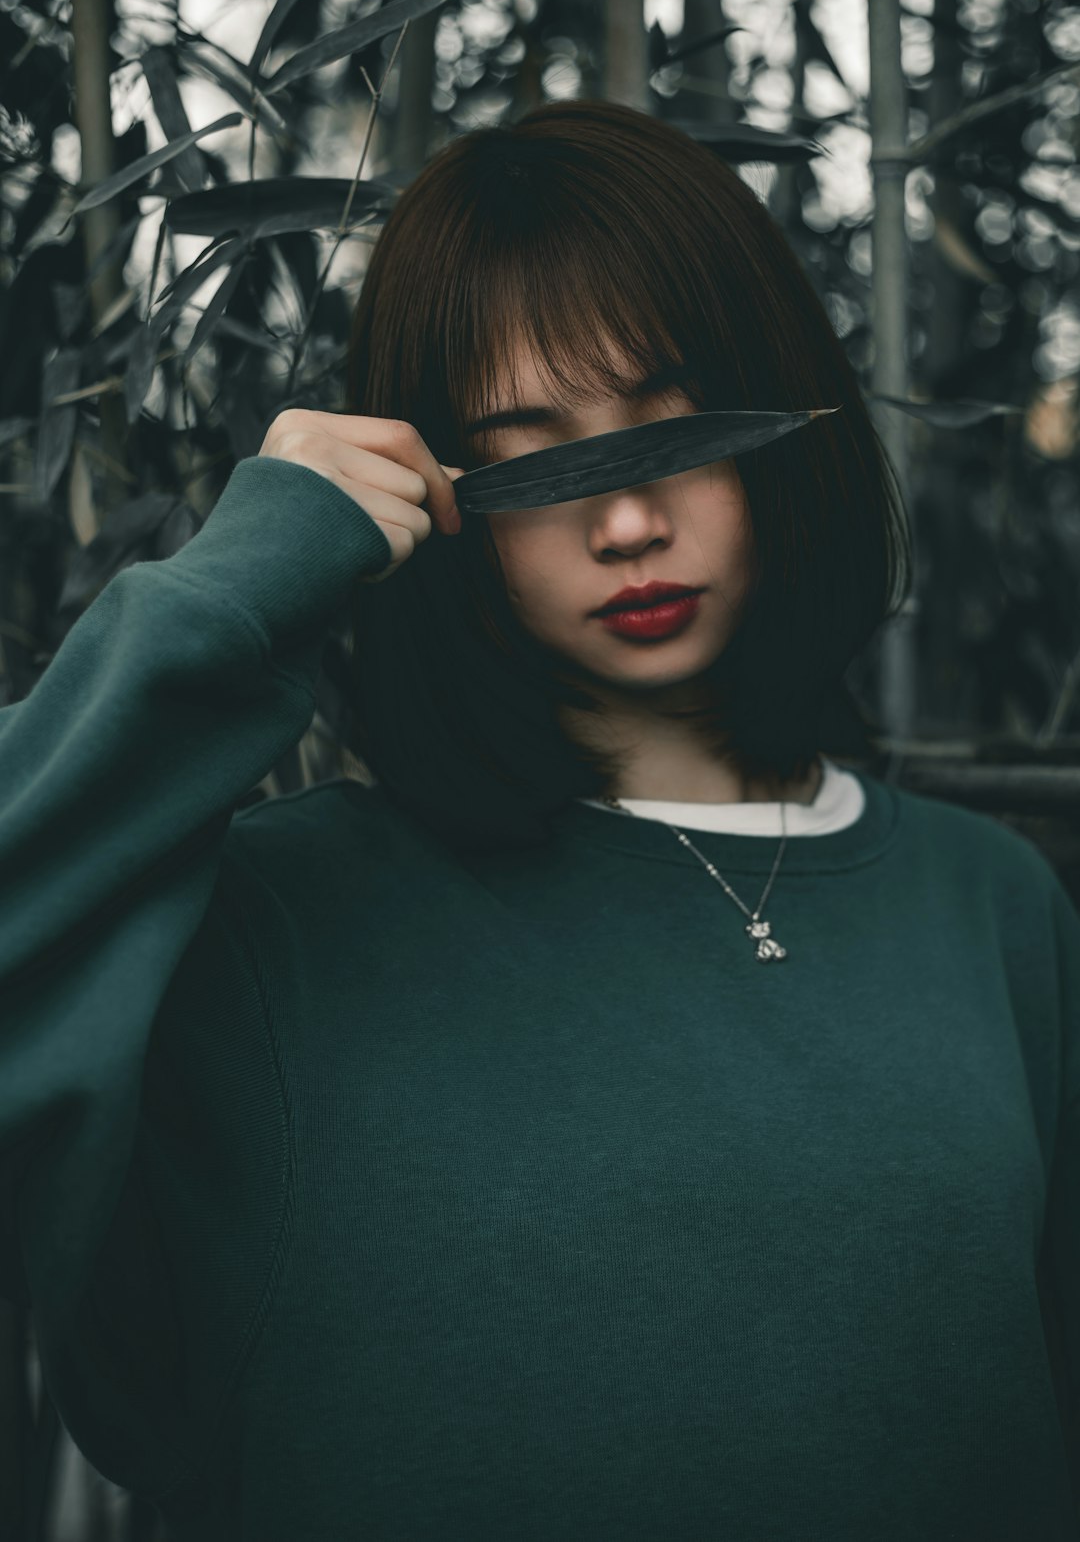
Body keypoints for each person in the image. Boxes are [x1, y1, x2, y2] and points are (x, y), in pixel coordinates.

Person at [1, 99, 1077, 1542]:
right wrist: (232, 592)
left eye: (674, 425)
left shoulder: (991, 909)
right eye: (534, 459)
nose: (625, 521)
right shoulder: (270, 928)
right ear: (436, 494)